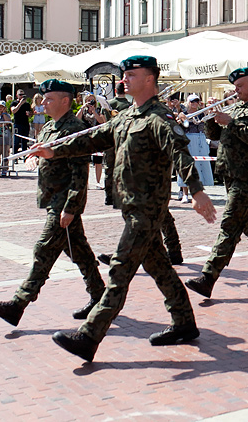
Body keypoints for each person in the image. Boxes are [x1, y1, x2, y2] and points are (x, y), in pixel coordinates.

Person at [32, 56, 216, 363]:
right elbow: (92, 138)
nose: (124, 79)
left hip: (146, 209)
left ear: (149, 80)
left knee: (120, 270)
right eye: (124, 74)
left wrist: (196, 191)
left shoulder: (158, 118)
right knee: (158, 265)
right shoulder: (128, 116)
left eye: (131, 75)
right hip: (131, 207)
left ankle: (89, 336)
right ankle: (184, 322)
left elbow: (178, 152)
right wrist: (54, 151)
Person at [0, 79, 106, 327]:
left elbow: (79, 173)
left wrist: (71, 208)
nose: (43, 103)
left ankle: (18, 304)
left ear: (65, 101)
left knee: (44, 250)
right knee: (79, 252)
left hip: (63, 203)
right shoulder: (50, 127)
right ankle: (100, 296)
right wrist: (35, 158)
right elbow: (44, 155)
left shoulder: (75, 128)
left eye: (49, 99)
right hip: (53, 199)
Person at [185, 67, 248, 299]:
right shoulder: (238, 108)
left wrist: (231, 122)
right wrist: (213, 118)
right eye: (235, 87)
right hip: (230, 173)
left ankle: (208, 277)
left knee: (230, 225)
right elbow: (215, 136)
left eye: (239, 86)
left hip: (247, 176)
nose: (235, 91)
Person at [177, 95, 214, 200]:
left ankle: (197, 193)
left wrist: (205, 107)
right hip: (188, 139)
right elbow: (182, 124)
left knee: (200, 167)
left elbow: (210, 117)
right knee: (186, 166)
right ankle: (185, 194)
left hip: (200, 139)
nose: (195, 103)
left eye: (197, 101)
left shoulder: (202, 112)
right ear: (188, 102)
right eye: (192, 101)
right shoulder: (183, 113)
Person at [76, 94, 107, 189]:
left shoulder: (98, 110)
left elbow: (102, 121)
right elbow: (76, 119)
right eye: (88, 100)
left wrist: (94, 112)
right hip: (85, 138)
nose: (90, 102)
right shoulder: (83, 110)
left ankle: (98, 182)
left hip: (96, 137)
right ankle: (86, 182)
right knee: (86, 161)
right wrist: (82, 108)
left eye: (92, 100)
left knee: (98, 161)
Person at [0, 101, 13, 177]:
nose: (1, 108)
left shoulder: (7, 115)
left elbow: (8, 122)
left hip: (6, 138)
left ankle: (5, 169)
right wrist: (3, 124)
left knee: (5, 155)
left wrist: (4, 113)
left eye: (2, 107)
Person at [11, 90, 33, 155]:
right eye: (20, 95)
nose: (22, 96)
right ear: (17, 95)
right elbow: (13, 111)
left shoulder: (27, 104)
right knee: (16, 141)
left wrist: (29, 114)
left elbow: (30, 113)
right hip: (17, 124)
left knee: (24, 141)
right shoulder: (14, 103)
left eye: (23, 95)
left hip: (25, 124)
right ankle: (15, 156)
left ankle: (24, 155)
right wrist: (20, 103)